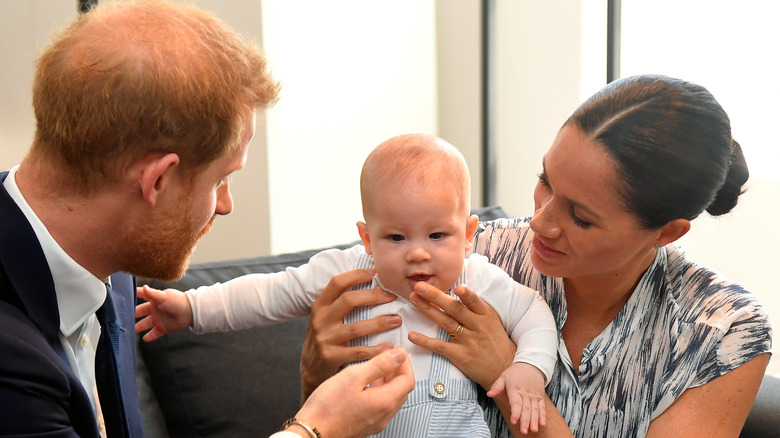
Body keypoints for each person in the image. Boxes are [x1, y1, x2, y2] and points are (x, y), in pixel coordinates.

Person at [0, 1, 413, 437]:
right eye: (221, 178)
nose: (225, 204)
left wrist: (315, 393)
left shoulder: (112, 267)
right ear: (157, 181)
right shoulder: (11, 360)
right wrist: (315, 430)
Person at [298, 75, 773, 437]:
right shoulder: (469, 254)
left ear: (666, 232)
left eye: (580, 217)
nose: (540, 223)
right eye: (545, 181)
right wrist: (316, 369)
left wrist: (508, 372)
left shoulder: (723, 331)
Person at [135, 133, 558, 436]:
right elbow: (269, 293)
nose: (417, 253)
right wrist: (191, 308)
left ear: (468, 234)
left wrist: (527, 370)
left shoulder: (477, 276)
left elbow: (534, 313)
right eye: (396, 237)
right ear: (366, 237)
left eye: (437, 236)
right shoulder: (348, 271)